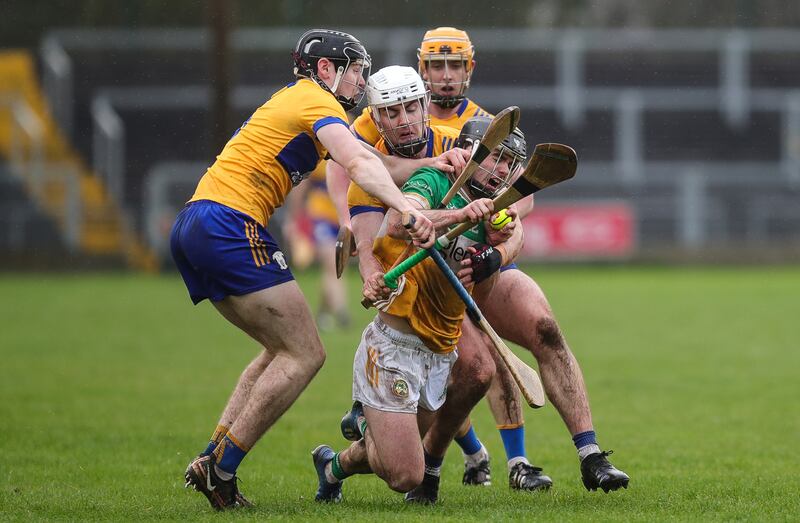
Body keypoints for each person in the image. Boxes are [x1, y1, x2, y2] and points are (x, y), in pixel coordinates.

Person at [342, 28, 631, 499]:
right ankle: (434, 451)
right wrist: (365, 255)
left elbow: (520, 201)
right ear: (420, 72)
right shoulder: (378, 123)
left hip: (479, 260)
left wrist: (497, 246)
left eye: (455, 65)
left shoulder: (485, 125)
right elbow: (363, 188)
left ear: (469, 70)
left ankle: (587, 455)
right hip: (424, 274)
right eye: (437, 66)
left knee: (543, 328)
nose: (446, 76)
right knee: (476, 367)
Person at [171, 29, 442, 511]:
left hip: (197, 221)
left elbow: (375, 161)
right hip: (228, 223)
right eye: (355, 70)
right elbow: (360, 160)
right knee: (306, 354)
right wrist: (408, 209)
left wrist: (437, 162)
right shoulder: (316, 101)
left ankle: (214, 458)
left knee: (278, 350)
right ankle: (222, 467)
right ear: (325, 70)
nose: (361, 81)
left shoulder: (300, 101)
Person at [311, 99, 526, 503]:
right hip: (395, 347)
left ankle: (332, 464)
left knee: (392, 452)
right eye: (494, 158)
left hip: (441, 353)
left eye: (508, 163)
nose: (500, 170)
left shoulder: (495, 219)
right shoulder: (435, 181)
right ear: (471, 155)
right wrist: (457, 216)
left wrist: (492, 257)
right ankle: (371, 418)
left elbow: (478, 299)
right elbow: (398, 220)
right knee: (407, 475)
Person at [282, 160, 350, 330]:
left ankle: (323, 313)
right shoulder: (322, 157)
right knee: (332, 262)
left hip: (343, 217)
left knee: (335, 268)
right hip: (321, 216)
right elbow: (300, 188)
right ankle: (342, 312)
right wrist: (293, 220)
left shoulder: (354, 151)